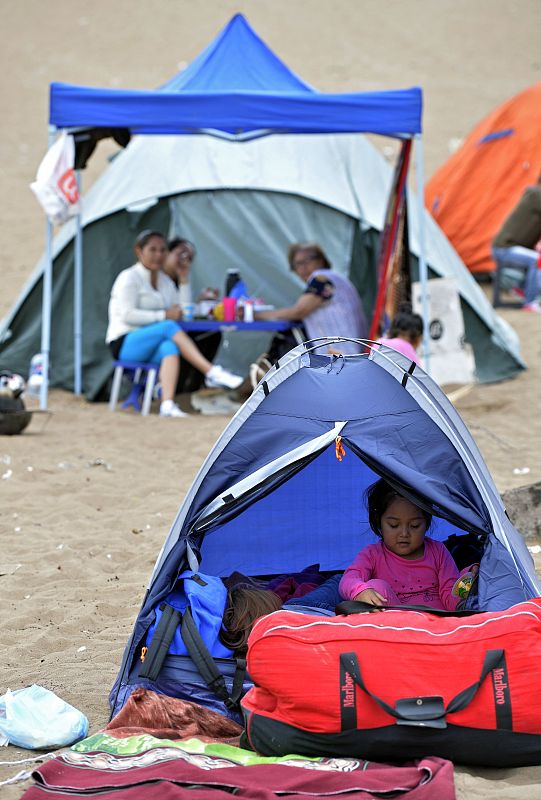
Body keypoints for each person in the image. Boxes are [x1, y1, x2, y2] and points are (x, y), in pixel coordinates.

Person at [106, 230, 243, 418]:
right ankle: (211, 372)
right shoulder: (129, 277)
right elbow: (127, 315)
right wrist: (163, 315)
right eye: (152, 250)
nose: (158, 255)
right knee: (169, 327)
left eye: (162, 250)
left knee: (169, 346)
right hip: (124, 342)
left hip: (152, 343)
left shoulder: (164, 281)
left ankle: (167, 404)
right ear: (139, 252)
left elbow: (182, 312)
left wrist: (184, 278)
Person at [339, 478, 463, 611]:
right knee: (377, 587)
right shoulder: (373, 555)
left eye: (414, 526)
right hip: (397, 625)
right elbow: (347, 580)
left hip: (437, 625)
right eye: (394, 525)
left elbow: (451, 597)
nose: (404, 533)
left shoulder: (438, 551)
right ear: (378, 522)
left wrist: (468, 578)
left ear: (426, 523)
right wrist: (360, 591)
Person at [255, 242, 368, 359]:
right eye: (297, 264)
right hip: (352, 353)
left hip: (344, 356)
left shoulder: (321, 278)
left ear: (321, 260)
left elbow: (299, 311)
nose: (303, 267)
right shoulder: (335, 278)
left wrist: (256, 315)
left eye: (308, 260)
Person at [164, 237, 222, 394]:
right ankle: (181, 387)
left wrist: (200, 303)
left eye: (189, 257)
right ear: (167, 253)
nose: (184, 260)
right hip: (161, 331)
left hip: (176, 329)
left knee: (213, 334)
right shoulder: (160, 278)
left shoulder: (179, 279)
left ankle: (194, 386)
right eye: (180, 254)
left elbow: (183, 311)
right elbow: (174, 311)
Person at [492, 177, 541, 312]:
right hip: (505, 248)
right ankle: (529, 302)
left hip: (512, 247)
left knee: (535, 257)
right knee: (537, 260)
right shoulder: (536, 195)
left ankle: (521, 289)